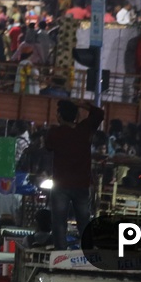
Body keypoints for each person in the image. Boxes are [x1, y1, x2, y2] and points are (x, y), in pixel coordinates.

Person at [41, 101, 103, 249]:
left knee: (59, 222)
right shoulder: (85, 129)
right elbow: (99, 113)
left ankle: (60, 253)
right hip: (81, 185)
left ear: (60, 116)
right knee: (83, 221)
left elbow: (48, 147)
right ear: (76, 116)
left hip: (61, 186)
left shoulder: (55, 133)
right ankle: (88, 251)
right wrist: (82, 104)